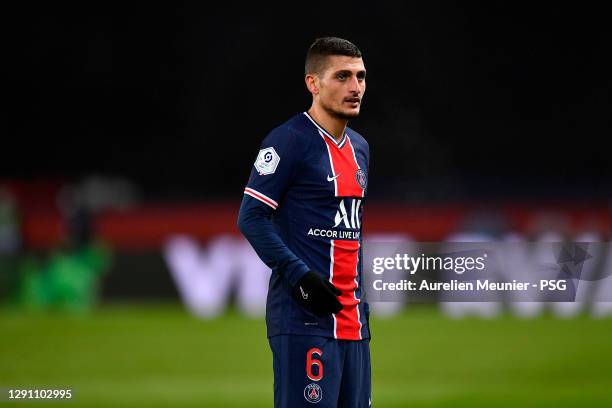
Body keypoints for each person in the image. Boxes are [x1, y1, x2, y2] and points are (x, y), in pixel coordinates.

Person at [237, 37, 371, 408]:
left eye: (360, 77)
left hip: (353, 323)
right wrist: (300, 277)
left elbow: (349, 234)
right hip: (303, 320)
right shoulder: (288, 141)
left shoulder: (360, 148)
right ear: (313, 83)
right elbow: (251, 217)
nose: (355, 87)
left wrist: (362, 309)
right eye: (342, 76)